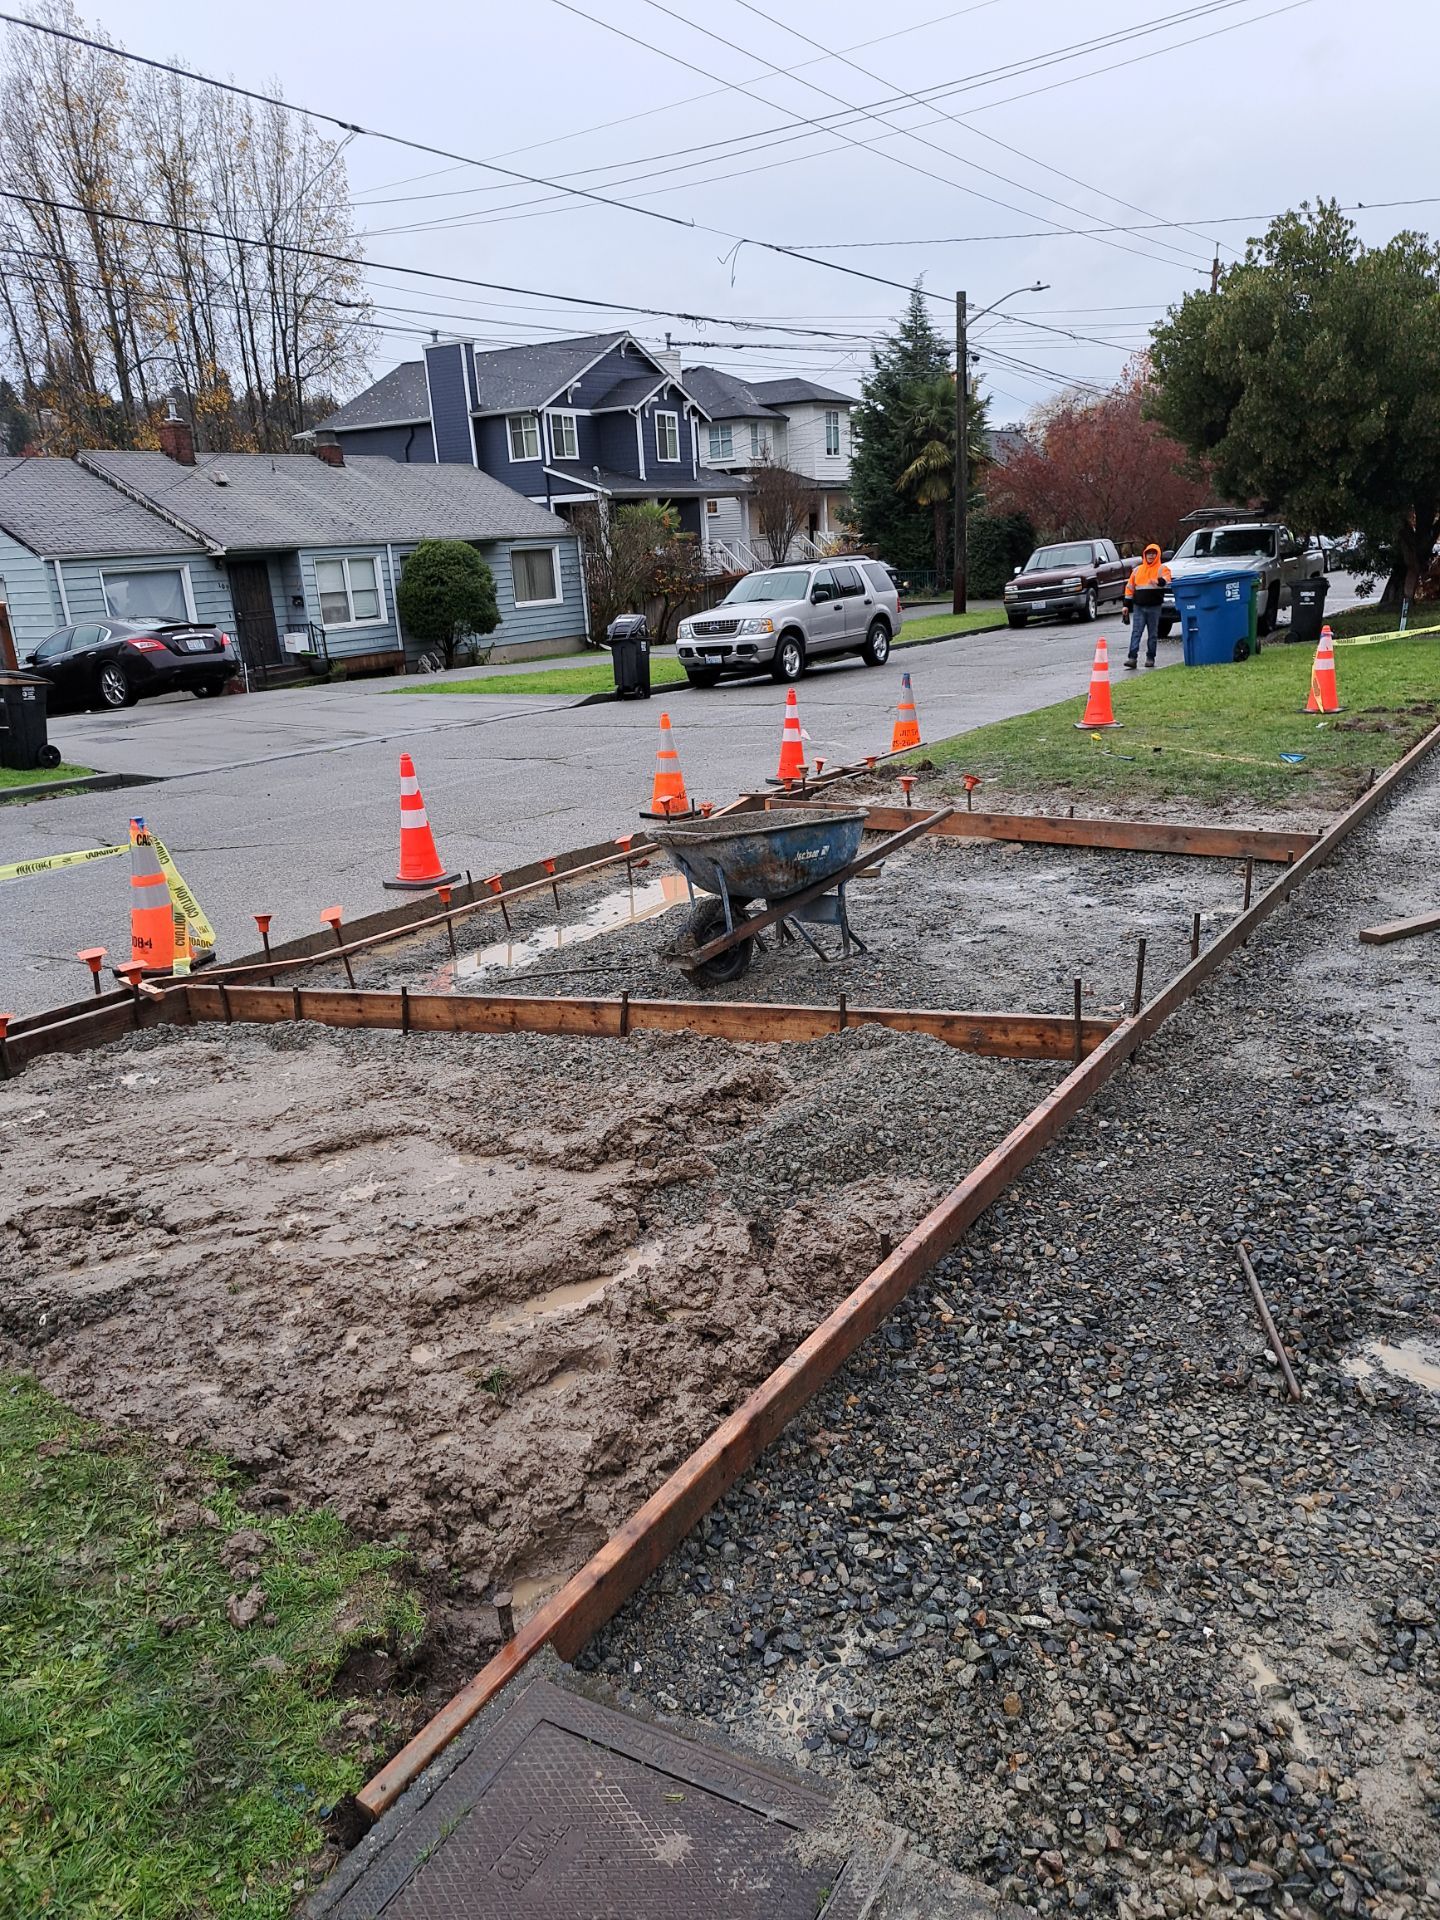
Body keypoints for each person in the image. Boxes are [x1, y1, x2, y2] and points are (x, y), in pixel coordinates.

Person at [1124, 543, 1172, 669]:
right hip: (1139, 606)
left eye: (1153, 553)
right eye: (1149, 553)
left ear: (1157, 555)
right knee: (1136, 632)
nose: (1151, 556)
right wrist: (1126, 606)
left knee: (1152, 634)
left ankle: (1150, 658)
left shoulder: (1162, 569)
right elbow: (1129, 588)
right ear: (1144, 554)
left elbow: (1167, 580)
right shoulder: (1137, 570)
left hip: (1154, 607)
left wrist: (1158, 581)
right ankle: (1132, 658)